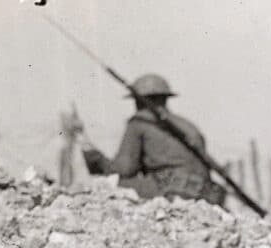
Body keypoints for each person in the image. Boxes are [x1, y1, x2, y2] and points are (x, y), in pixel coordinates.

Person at [80, 73, 226, 206]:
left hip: (172, 190)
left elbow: (123, 169)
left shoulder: (140, 123)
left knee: (110, 184)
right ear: (165, 99)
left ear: (138, 100)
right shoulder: (188, 125)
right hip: (205, 194)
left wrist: (90, 152)